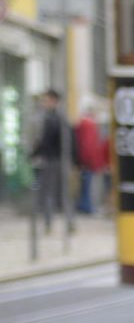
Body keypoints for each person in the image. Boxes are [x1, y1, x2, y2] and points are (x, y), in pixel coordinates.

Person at [30, 89, 68, 231]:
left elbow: (44, 141)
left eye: (46, 100)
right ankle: (50, 221)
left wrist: (34, 153)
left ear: (54, 101)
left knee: (50, 192)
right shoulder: (48, 117)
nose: (44, 103)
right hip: (49, 160)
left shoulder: (55, 119)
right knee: (49, 191)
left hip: (53, 160)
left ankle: (51, 221)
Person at [74, 100, 108, 214]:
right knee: (87, 186)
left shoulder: (86, 124)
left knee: (86, 185)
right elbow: (88, 145)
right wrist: (88, 161)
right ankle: (86, 206)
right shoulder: (88, 125)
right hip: (88, 162)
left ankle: (85, 205)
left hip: (87, 161)